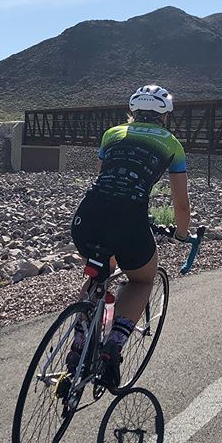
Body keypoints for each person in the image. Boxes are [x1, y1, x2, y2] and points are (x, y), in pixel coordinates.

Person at [67, 84, 190, 388]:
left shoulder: (112, 134)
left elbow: (104, 176)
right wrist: (182, 235)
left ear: (133, 111)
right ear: (166, 117)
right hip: (129, 220)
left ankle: (79, 339)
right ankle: (113, 345)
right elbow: (181, 204)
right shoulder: (172, 144)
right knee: (141, 280)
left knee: (100, 271)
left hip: (87, 216)